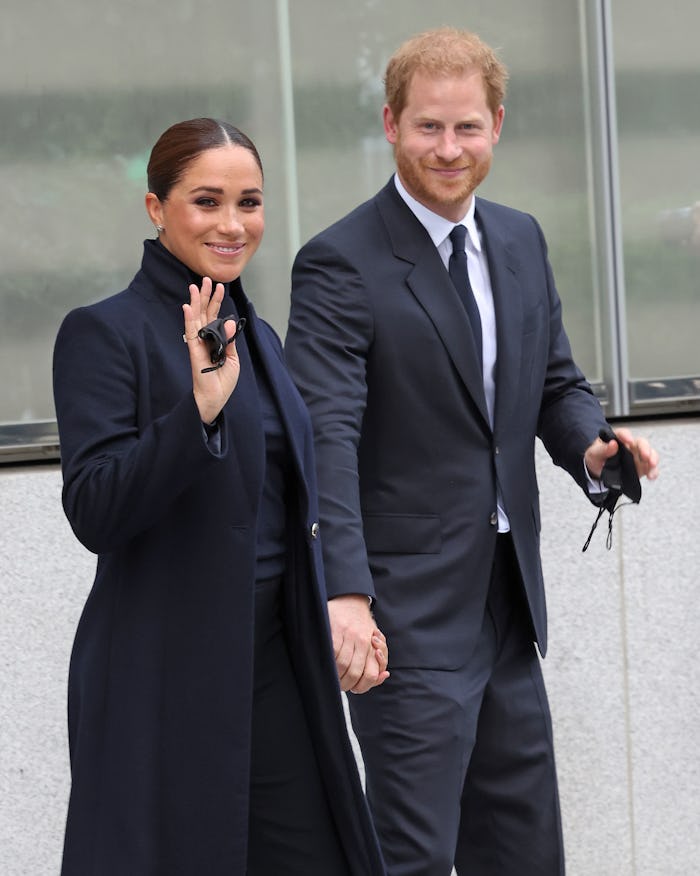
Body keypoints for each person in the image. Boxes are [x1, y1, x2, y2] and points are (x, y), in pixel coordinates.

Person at [285, 28, 659, 876]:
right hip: (403, 616)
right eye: (427, 128)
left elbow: (554, 383)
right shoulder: (340, 262)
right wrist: (343, 593)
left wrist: (594, 450)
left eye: (466, 128)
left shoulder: (520, 240)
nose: (447, 149)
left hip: (505, 602)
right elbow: (327, 437)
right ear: (390, 124)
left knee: (524, 850)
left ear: (497, 124)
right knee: (416, 857)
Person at [53, 117, 388, 876]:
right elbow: (96, 509)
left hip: (277, 659)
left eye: (250, 202)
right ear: (155, 207)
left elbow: (288, 498)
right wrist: (196, 413)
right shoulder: (103, 333)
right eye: (207, 201)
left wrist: (343, 600)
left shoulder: (258, 337)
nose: (233, 224)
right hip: (164, 673)